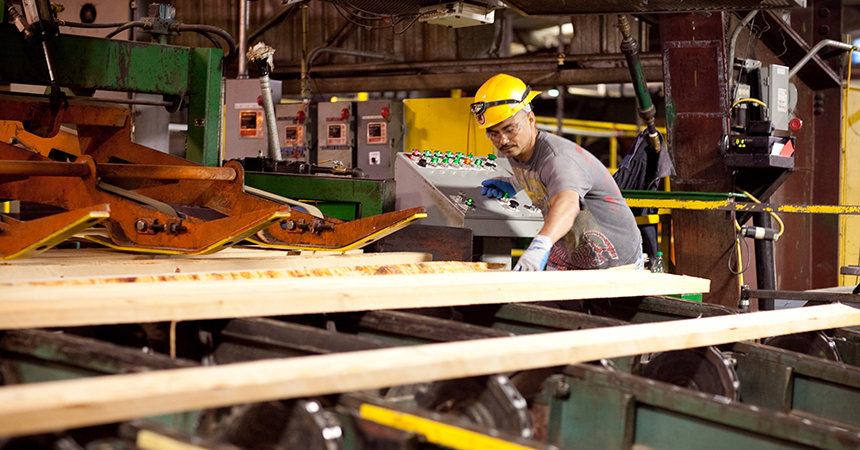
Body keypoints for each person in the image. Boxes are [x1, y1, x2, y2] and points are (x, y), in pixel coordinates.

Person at [472, 73, 643, 271]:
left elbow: (568, 204)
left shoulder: (559, 159)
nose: (502, 140)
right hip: (570, 260)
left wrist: (539, 246)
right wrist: (514, 183)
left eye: (510, 129)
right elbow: (543, 174)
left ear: (530, 119)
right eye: (493, 133)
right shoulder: (518, 150)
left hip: (616, 265)